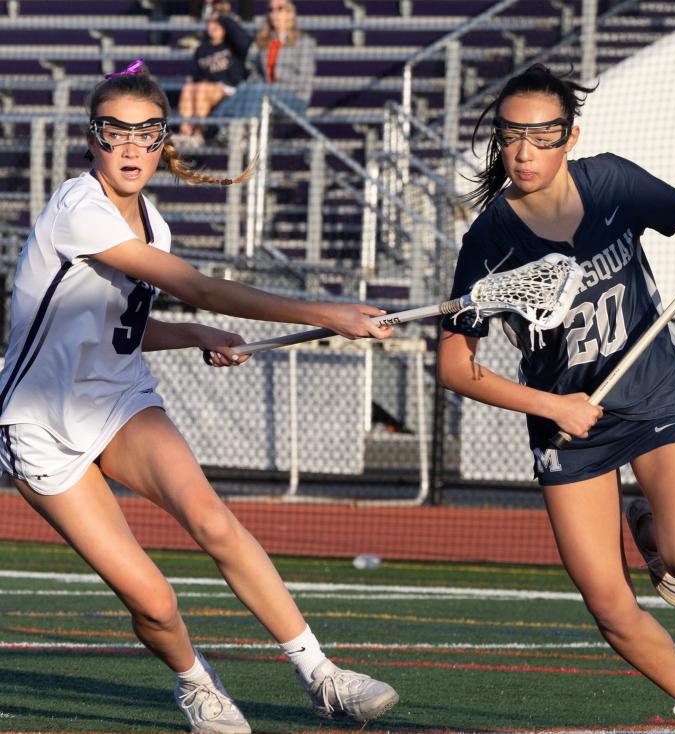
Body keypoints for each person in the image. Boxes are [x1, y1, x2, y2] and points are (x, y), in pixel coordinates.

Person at [0, 62, 398, 733]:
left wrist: (193, 335)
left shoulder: (152, 223)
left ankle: (322, 676)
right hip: (40, 424)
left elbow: (115, 329)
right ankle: (196, 684)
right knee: (153, 600)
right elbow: (201, 286)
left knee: (213, 520)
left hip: (119, 399)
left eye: (145, 133)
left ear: (164, 140)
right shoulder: (79, 211)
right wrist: (327, 314)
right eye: (114, 132)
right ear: (91, 139)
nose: (129, 147)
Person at [437, 64, 675, 734]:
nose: (525, 151)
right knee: (608, 602)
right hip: (569, 424)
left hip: (652, 391)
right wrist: (553, 408)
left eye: (542, 135)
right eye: (511, 136)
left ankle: (646, 524)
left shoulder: (611, 182)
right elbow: (455, 366)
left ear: (569, 136)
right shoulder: (491, 241)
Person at [213, 0, 315, 120]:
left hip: (294, 97)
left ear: (290, 13)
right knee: (243, 88)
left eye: (279, 8)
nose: (274, 13)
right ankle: (216, 123)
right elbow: (256, 73)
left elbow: (303, 79)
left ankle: (237, 128)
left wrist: (275, 87)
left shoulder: (304, 42)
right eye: (271, 10)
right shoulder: (265, 41)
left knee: (259, 90)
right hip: (265, 93)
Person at [177, 5, 252, 146]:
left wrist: (223, 18)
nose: (213, 26)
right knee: (189, 87)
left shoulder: (233, 44)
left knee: (202, 88)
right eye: (211, 22)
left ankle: (199, 133)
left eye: (217, 22)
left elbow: (245, 40)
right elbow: (197, 76)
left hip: (233, 89)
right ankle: (185, 132)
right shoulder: (202, 49)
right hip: (208, 90)